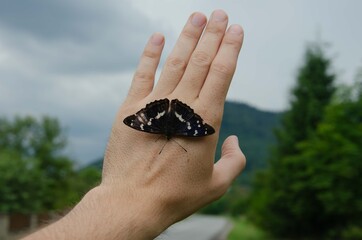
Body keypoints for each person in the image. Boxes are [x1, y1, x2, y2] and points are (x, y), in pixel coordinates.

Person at [24, 9, 245, 240]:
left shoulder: (152, 127)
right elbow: (196, 128)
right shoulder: (186, 131)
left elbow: (141, 121)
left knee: (149, 126)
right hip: (182, 121)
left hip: (160, 119)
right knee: (185, 130)